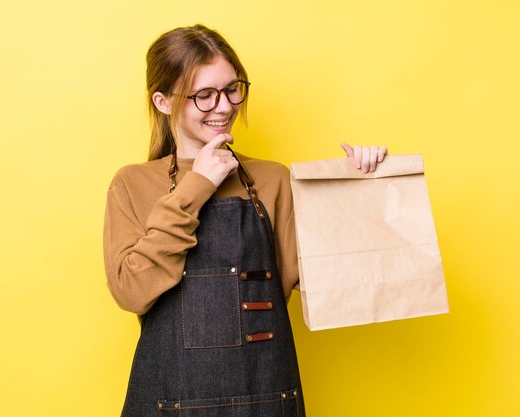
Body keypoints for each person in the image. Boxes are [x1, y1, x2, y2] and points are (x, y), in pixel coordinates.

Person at [103, 24, 388, 417]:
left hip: (268, 402)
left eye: (232, 89)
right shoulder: (133, 183)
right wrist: (196, 186)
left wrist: (361, 190)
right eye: (204, 95)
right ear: (164, 101)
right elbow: (131, 290)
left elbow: (334, 281)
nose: (224, 107)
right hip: (168, 404)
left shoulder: (272, 179)